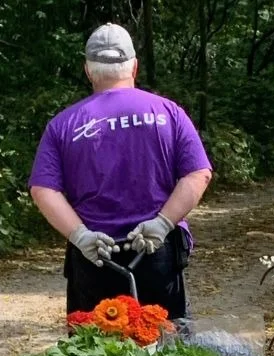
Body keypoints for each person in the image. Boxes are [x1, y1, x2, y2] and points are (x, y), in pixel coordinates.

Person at [29, 23, 213, 320]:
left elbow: (43, 189)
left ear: (88, 70)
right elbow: (198, 173)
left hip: (94, 256)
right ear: (134, 67)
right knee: (166, 349)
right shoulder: (169, 113)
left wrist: (81, 235)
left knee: (93, 354)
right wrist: (163, 224)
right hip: (155, 250)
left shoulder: (63, 125)